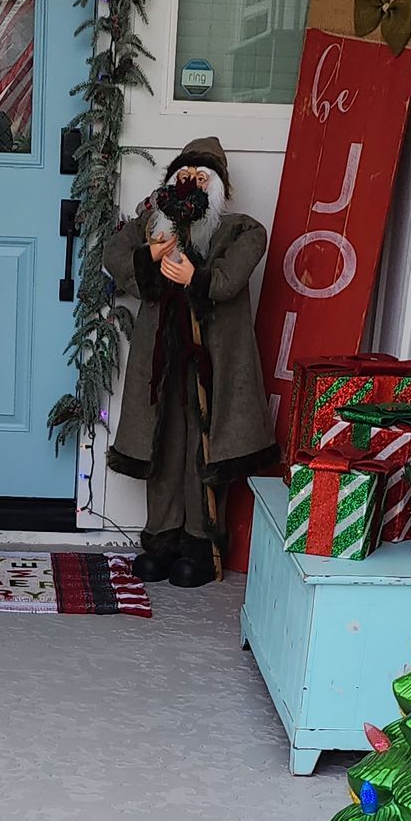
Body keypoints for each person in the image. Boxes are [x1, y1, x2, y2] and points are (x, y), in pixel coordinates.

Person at [100, 138, 278, 587]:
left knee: (206, 447)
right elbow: (115, 255)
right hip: (163, 363)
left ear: (218, 188)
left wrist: (195, 278)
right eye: (183, 176)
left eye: (201, 178)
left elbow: (229, 279)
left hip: (210, 363)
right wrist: (151, 255)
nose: (191, 184)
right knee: (162, 445)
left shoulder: (239, 230)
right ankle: (161, 539)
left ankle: (201, 544)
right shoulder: (152, 225)